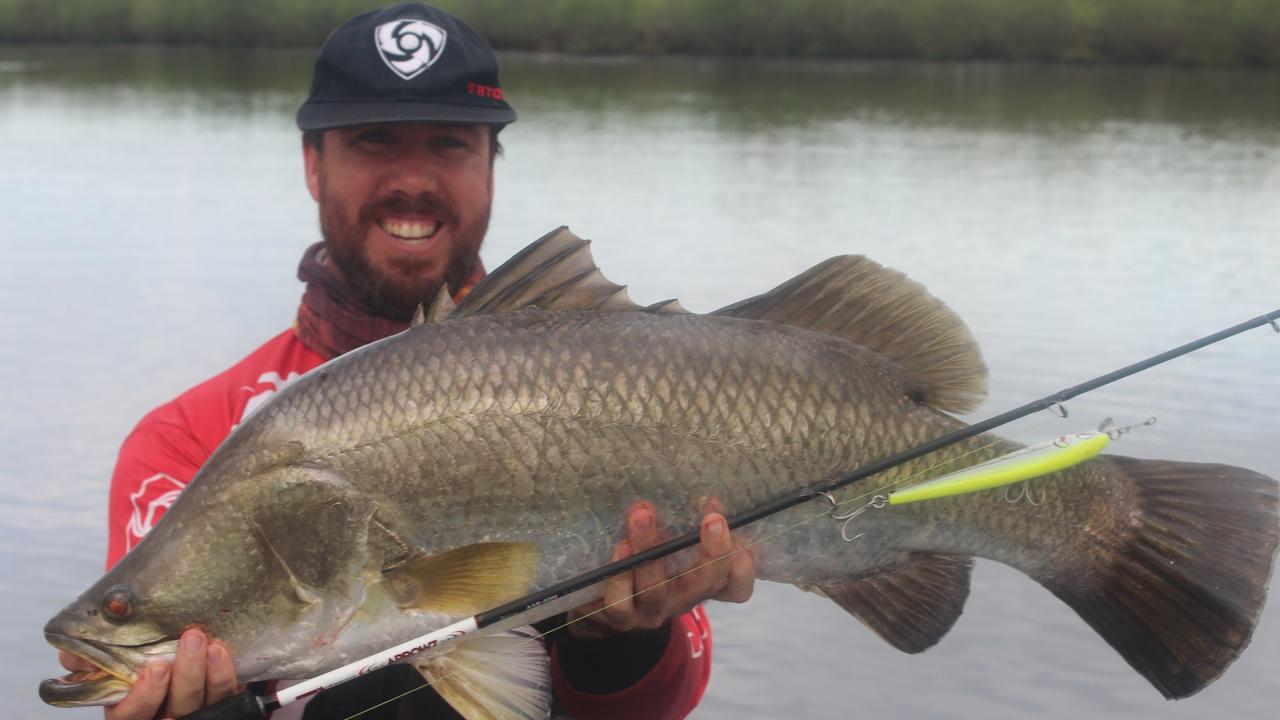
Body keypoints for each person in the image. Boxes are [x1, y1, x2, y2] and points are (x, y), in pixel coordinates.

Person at [57, 3, 756, 719]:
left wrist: (614, 640)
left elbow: (664, 701)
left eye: (450, 144)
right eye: (375, 140)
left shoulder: (611, 371)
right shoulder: (183, 441)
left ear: (491, 167)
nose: (413, 180)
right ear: (312, 165)